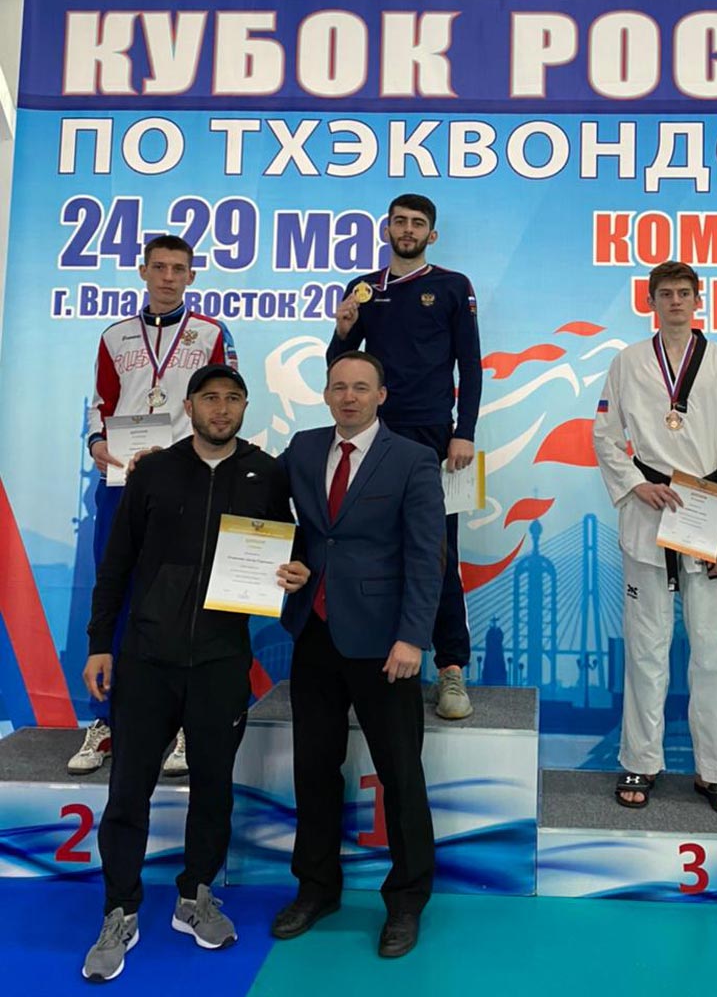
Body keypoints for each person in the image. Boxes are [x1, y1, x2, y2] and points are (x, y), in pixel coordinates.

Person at [80, 365, 309, 983]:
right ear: (190, 406)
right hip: (146, 660)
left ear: (245, 407)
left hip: (220, 662)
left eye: (233, 398)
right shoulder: (153, 471)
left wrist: (295, 571)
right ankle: (120, 909)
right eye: (210, 398)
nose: (222, 408)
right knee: (128, 790)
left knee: (214, 787)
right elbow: (116, 565)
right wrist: (100, 644)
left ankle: (195, 895)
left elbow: (292, 547)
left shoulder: (267, 472)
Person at [271, 351, 445, 959]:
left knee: (400, 775)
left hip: (385, 644)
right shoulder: (302, 448)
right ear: (325, 394)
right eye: (339, 387)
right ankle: (316, 889)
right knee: (313, 770)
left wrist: (412, 638)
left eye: (361, 387)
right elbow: (259, 499)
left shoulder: (413, 459)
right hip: (314, 634)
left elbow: (427, 555)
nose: (349, 397)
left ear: (381, 395)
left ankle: (407, 900)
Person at [70, 234, 238, 777]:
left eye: (178, 269)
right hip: (122, 481)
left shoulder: (211, 333)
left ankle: (186, 723)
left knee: (188, 593)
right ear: (143, 271)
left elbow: (225, 404)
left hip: (186, 479)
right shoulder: (115, 335)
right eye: (159, 267)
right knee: (115, 590)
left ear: (192, 276)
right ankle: (106, 720)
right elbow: (101, 403)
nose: (168, 277)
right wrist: (97, 442)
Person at [593, 260, 717, 814]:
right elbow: (604, 434)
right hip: (649, 509)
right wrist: (634, 484)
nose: (676, 302)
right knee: (646, 649)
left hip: (706, 510)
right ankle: (640, 761)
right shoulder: (628, 361)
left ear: (698, 299)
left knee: (712, 652)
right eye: (666, 294)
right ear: (651, 301)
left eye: (685, 293)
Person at [326, 193, 481, 720]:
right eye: (400, 222)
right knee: (373, 547)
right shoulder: (363, 289)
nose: (408, 230)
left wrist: (464, 432)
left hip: (435, 436)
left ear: (431, 235)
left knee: (437, 551)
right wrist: (342, 330)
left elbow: (470, 365)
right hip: (377, 433)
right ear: (386, 229)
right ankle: (375, 665)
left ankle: (451, 668)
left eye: (417, 223)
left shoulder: (453, 286)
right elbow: (341, 367)